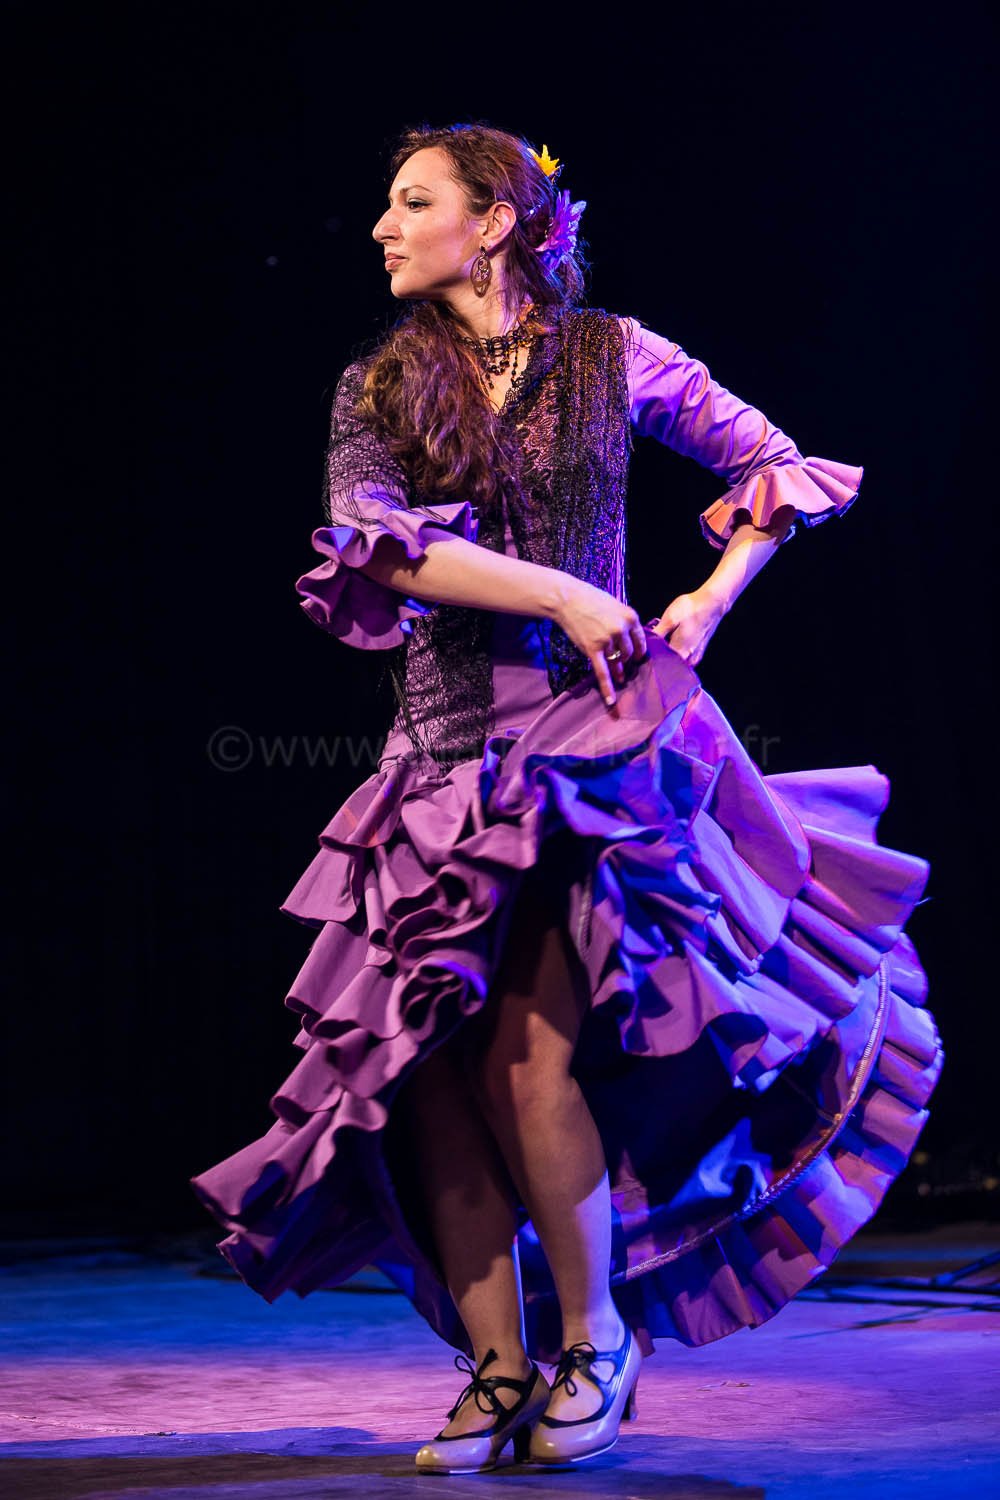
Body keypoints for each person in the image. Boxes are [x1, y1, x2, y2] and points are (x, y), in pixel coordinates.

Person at [191, 123, 943, 1474]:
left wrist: (706, 601)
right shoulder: (379, 384)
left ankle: (596, 1342)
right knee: (424, 1071)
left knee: (522, 1051)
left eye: (411, 201)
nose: (382, 227)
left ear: (493, 222)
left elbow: (776, 465)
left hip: (588, 751)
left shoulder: (610, 355)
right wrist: (565, 592)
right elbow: (383, 552)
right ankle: (496, 1370)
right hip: (440, 761)